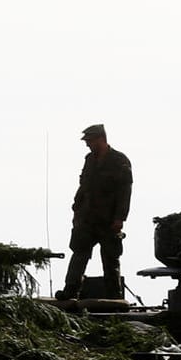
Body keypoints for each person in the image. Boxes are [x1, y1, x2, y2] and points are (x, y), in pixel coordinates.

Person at [57, 123, 133, 300]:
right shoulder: (89, 160)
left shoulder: (119, 161)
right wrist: (76, 210)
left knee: (110, 259)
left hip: (108, 219)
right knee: (79, 254)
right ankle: (70, 290)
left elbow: (125, 192)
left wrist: (119, 218)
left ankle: (114, 296)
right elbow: (84, 186)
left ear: (101, 139)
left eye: (90, 141)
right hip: (87, 218)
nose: (87, 144)